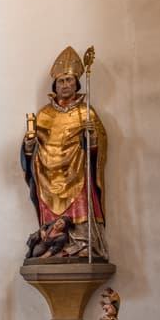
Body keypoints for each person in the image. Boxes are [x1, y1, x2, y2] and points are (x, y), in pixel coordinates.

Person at [21, 46, 107, 259]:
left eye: (69, 80)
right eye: (61, 81)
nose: (65, 85)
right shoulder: (43, 114)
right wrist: (29, 146)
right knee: (52, 213)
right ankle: (52, 245)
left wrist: (92, 137)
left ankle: (82, 244)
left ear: (76, 83)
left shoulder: (86, 112)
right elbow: (31, 149)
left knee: (81, 203)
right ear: (55, 85)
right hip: (48, 176)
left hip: (76, 172)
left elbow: (97, 151)